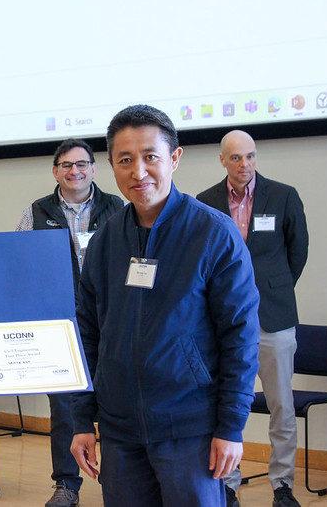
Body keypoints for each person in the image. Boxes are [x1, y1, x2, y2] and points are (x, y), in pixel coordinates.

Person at [69, 105, 260, 506]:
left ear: (174, 158)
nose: (138, 172)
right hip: (120, 431)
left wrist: (231, 426)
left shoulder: (214, 234)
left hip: (190, 429)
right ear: (111, 165)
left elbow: (240, 338)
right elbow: (87, 334)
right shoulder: (105, 241)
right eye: (125, 160)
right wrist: (82, 419)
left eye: (150, 156)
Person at [197, 129, 308, 507]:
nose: (245, 164)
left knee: (282, 405)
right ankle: (227, 483)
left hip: (274, 316)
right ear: (223, 160)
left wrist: (272, 288)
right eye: (236, 157)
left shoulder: (284, 196)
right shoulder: (206, 202)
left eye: (250, 156)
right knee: (226, 404)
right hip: (224, 320)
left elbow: (297, 252)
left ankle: (282, 485)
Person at [16, 138, 123, 507]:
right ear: (55, 171)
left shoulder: (117, 208)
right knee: (64, 406)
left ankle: (121, 481)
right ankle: (66, 485)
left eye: (81, 164)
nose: (74, 171)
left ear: (93, 169)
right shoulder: (36, 212)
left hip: (109, 319)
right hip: (57, 322)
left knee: (116, 399)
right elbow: (21, 265)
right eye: (66, 165)